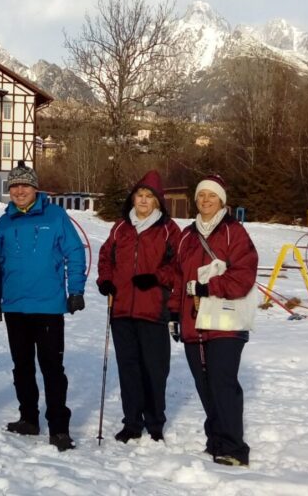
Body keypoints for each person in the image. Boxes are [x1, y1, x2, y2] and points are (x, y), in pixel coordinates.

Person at [0, 162, 86, 452]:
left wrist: (76, 291)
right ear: (9, 190)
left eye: (25, 185)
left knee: (51, 368)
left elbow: (74, 252)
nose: (19, 191)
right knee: (22, 367)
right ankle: (29, 418)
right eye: (14, 186)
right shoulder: (4, 223)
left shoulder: (55, 216)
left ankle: (58, 427)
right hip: (15, 306)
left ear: (35, 188)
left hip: (48, 306)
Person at [171, 174, 258, 466]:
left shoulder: (235, 233)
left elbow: (244, 275)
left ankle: (234, 447)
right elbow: (177, 278)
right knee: (204, 383)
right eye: (201, 196)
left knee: (222, 382)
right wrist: (173, 313)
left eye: (212, 196)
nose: (206, 201)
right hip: (194, 321)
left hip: (227, 322)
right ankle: (216, 438)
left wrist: (210, 287)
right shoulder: (187, 235)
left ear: (222, 200)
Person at [96, 170, 182, 443]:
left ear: (158, 202)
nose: (143, 201)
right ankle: (132, 422)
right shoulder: (121, 227)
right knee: (129, 369)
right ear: (133, 198)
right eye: (140, 195)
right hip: (121, 310)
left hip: (153, 310)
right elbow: (105, 258)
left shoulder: (169, 230)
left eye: (149, 197)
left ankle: (155, 422)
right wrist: (105, 280)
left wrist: (157, 278)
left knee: (155, 369)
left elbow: (178, 266)